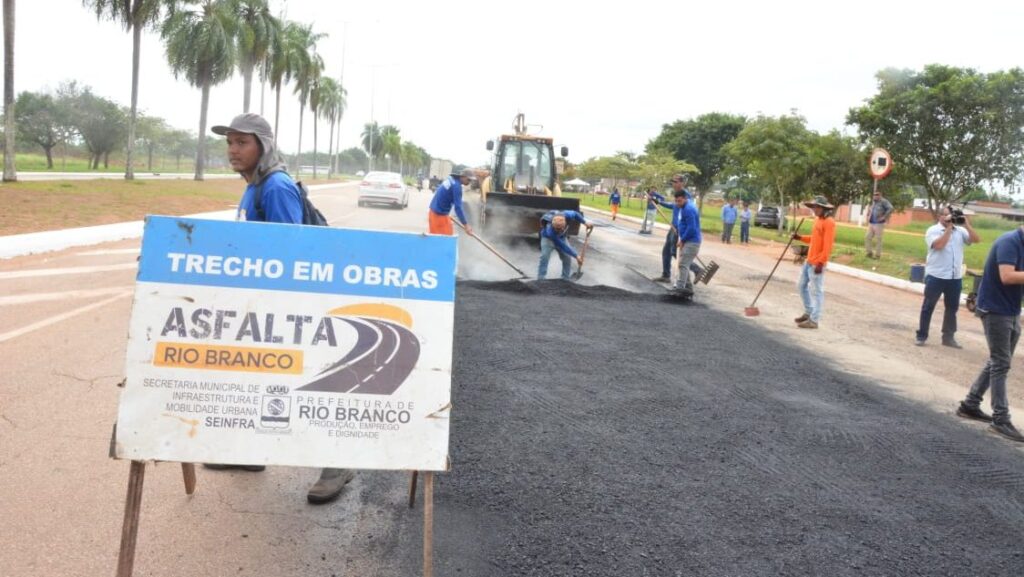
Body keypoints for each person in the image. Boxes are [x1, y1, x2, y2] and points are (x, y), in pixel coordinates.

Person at [209, 113, 354, 504]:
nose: (233, 151)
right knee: (257, 381)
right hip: (261, 304)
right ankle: (250, 452)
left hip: (288, 308)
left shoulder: (276, 187)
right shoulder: (255, 185)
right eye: (230, 143)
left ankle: (337, 463)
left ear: (264, 146)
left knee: (309, 383)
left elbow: (292, 256)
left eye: (242, 143)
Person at [955, 225, 1024, 442]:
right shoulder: (1009, 242)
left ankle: (970, 404)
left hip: (1011, 309)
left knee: (997, 361)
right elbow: (1007, 276)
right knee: (1001, 363)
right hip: (995, 309)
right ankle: (1000, 419)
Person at [915, 206, 979, 348]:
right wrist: (949, 229)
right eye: (945, 215)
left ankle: (948, 338)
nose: (947, 218)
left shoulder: (960, 231)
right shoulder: (933, 230)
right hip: (936, 276)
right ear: (939, 216)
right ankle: (921, 335)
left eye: (949, 215)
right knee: (928, 307)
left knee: (952, 308)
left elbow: (976, 239)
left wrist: (966, 224)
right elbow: (939, 245)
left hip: (954, 277)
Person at [792, 196, 836, 329]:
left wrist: (821, 263)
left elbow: (828, 245)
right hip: (809, 260)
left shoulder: (829, 223)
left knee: (817, 291)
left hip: (817, 263)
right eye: (814, 207)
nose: (814, 210)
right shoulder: (817, 221)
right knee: (801, 286)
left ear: (824, 208)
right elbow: (814, 239)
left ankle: (814, 320)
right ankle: (809, 312)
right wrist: (800, 237)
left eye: (817, 207)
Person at [651, 175, 691, 281]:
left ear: (682, 183)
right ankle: (666, 275)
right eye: (672, 181)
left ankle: (696, 270)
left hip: (678, 228)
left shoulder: (685, 195)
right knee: (667, 251)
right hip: (673, 227)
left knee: (674, 252)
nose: (673, 183)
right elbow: (673, 206)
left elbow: (687, 211)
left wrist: (682, 229)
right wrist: (659, 202)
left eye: (675, 181)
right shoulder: (678, 194)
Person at [538, 210, 593, 280]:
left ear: (564, 224)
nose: (559, 231)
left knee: (567, 257)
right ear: (553, 225)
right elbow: (563, 246)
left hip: (562, 237)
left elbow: (576, 214)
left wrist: (585, 223)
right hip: (548, 239)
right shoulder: (550, 231)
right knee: (544, 256)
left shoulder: (567, 215)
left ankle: (565, 279)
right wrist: (576, 256)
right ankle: (541, 278)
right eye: (556, 230)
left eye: (560, 229)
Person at [671, 187, 702, 295]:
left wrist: (682, 240)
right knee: (684, 264)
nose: (677, 203)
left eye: (679, 201)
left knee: (683, 264)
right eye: (676, 201)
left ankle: (680, 288)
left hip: (692, 241)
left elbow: (692, 228)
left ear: (685, 199)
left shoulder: (689, 209)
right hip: (689, 240)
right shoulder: (684, 207)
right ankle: (688, 288)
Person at [428, 169, 474, 236]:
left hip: (436, 212)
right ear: (463, 177)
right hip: (438, 216)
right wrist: (466, 225)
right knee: (443, 241)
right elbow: (458, 208)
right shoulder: (457, 187)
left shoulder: (451, 179)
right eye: (468, 180)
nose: (470, 182)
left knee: (445, 237)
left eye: (471, 180)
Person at [864, 190, 893, 259]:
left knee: (878, 239)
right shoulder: (874, 202)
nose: (875, 196)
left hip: (879, 224)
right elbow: (871, 210)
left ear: (880, 195)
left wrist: (884, 217)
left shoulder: (884, 201)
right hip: (871, 223)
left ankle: (877, 255)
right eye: (874, 195)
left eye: (877, 195)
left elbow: (891, 208)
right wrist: (868, 215)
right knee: (867, 237)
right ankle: (869, 253)